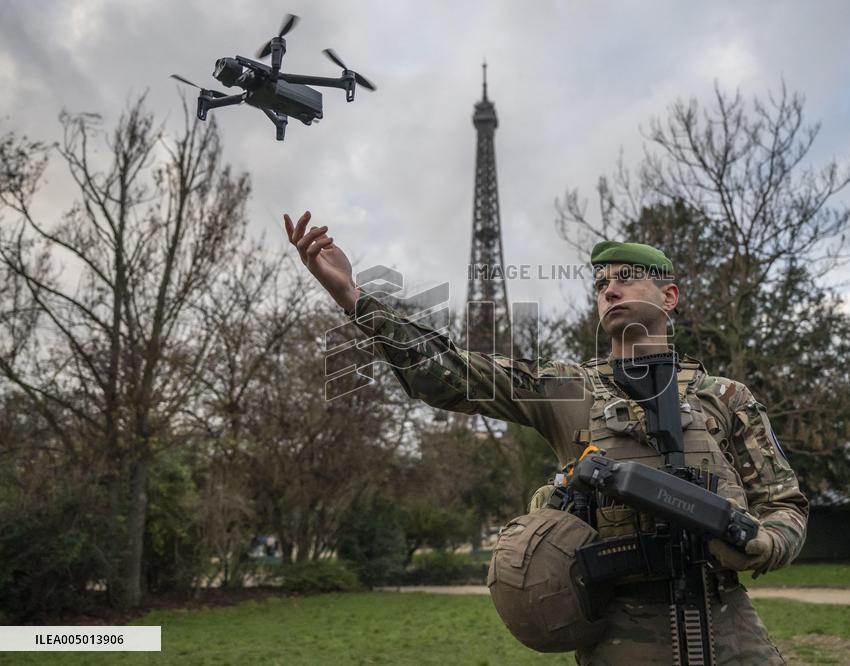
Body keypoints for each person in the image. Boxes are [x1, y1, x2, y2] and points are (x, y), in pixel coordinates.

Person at [284, 210, 808, 665]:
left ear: (669, 296)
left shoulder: (727, 398)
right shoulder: (568, 389)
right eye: (601, 285)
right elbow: (451, 373)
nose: (609, 290)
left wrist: (764, 543)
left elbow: (784, 504)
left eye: (627, 278)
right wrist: (354, 298)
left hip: (731, 631)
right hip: (622, 638)